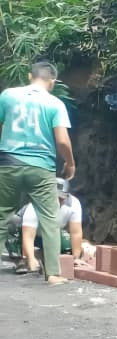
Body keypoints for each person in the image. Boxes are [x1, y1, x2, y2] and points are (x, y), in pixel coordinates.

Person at [0, 61, 75, 285]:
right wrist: (70, 163)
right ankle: (53, 273)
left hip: (8, 162)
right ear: (52, 81)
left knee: (1, 215)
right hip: (41, 167)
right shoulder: (55, 103)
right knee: (50, 218)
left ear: (29, 75)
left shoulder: (7, 95)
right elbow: (62, 140)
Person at [4, 179, 89, 274]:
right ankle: (22, 258)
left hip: (49, 233)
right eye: (53, 197)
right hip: (24, 232)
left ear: (66, 197)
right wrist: (30, 259)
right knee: (14, 226)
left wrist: (75, 258)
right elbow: (28, 236)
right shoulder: (35, 205)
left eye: (60, 198)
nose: (56, 202)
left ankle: (40, 255)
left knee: (68, 248)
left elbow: (76, 232)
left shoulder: (74, 204)